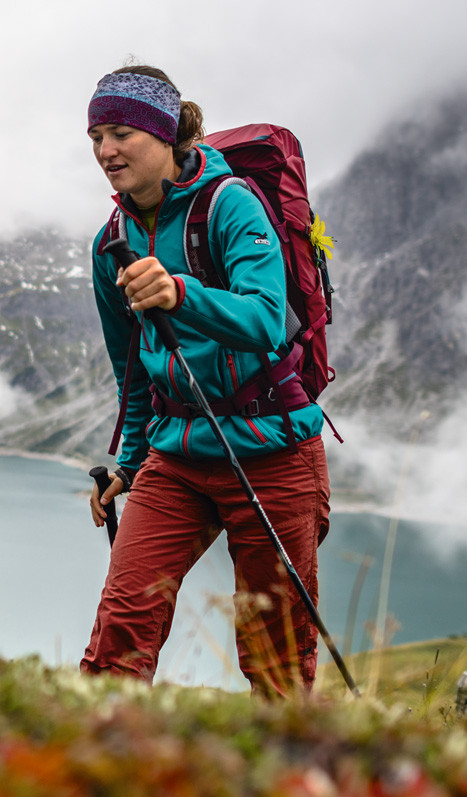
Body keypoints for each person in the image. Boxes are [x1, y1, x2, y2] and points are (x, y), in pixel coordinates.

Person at [83, 65, 330, 697]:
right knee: (123, 622)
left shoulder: (230, 204)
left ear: (165, 135)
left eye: (120, 133)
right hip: (179, 453)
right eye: (95, 135)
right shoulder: (112, 239)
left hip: (273, 447)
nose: (105, 150)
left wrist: (177, 292)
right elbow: (132, 368)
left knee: (273, 649)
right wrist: (129, 463)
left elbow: (266, 320)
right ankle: (96, 766)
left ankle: (288, 777)